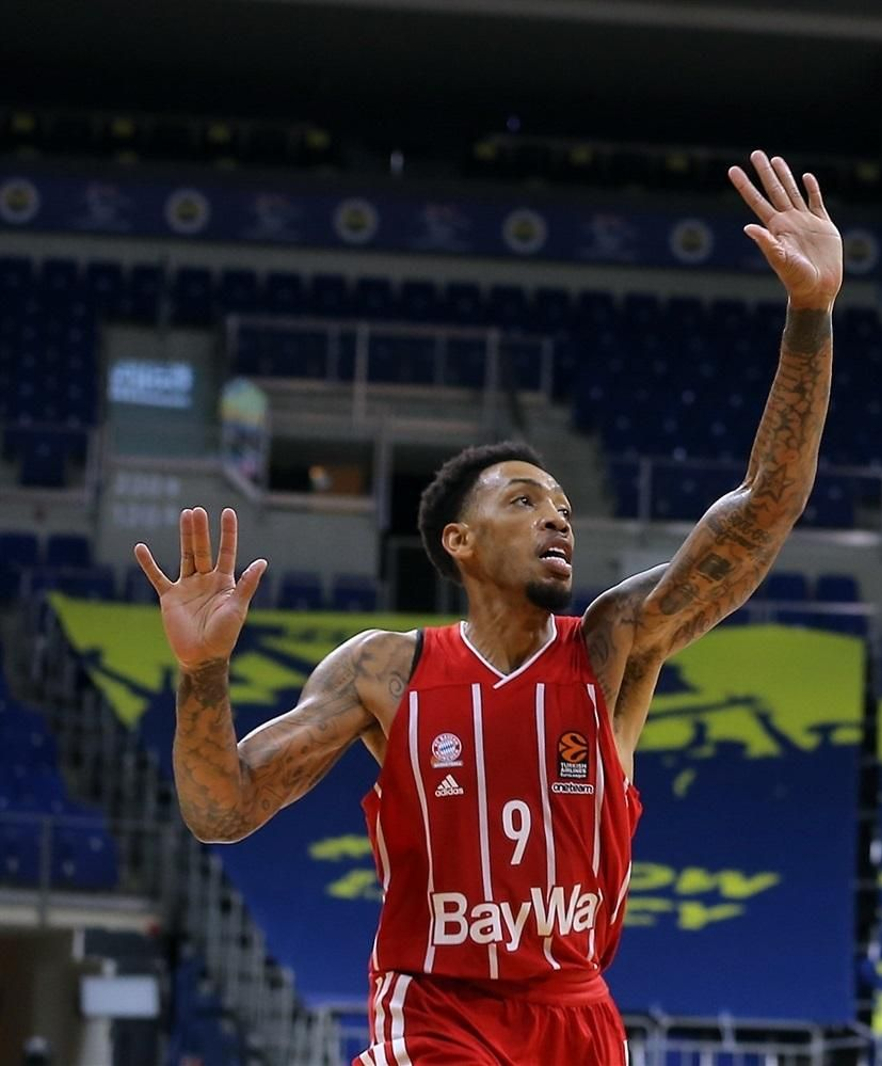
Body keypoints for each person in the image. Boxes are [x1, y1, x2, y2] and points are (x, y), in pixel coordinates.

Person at [133, 150, 841, 1066]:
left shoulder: (611, 647)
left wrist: (811, 315)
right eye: (522, 500)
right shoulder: (385, 670)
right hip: (436, 1006)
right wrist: (202, 671)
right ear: (457, 543)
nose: (556, 516)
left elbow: (764, 508)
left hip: (577, 1013)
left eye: (563, 506)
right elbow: (220, 809)